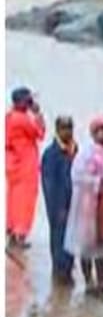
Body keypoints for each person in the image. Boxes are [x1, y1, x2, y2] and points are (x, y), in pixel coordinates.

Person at [64, 117, 103, 295]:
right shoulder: (86, 152)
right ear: (95, 133)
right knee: (87, 243)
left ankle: (102, 281)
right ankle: (89, 282)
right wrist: (97, 182)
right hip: (88, 203)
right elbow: (77, 176)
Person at [6, 87, 46, 249]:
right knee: (25, 201)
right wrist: (37, 114)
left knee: (13, 198)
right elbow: (40, 133)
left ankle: (11, 231)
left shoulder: (9, 117)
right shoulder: (22, 119)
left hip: (12, 163)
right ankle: (20, 234)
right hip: (25, 164)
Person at [40, 116, 77, 285]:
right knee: (58, 238)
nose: (67, 132)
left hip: (74, 203)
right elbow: (49, 185)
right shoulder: (51, 154)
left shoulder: (75, 150)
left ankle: (68, 269)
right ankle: (59, 272)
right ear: (57, 130)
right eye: (64, 128)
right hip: (58, 206)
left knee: (71, 238)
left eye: (70, 128)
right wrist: (56, 208)